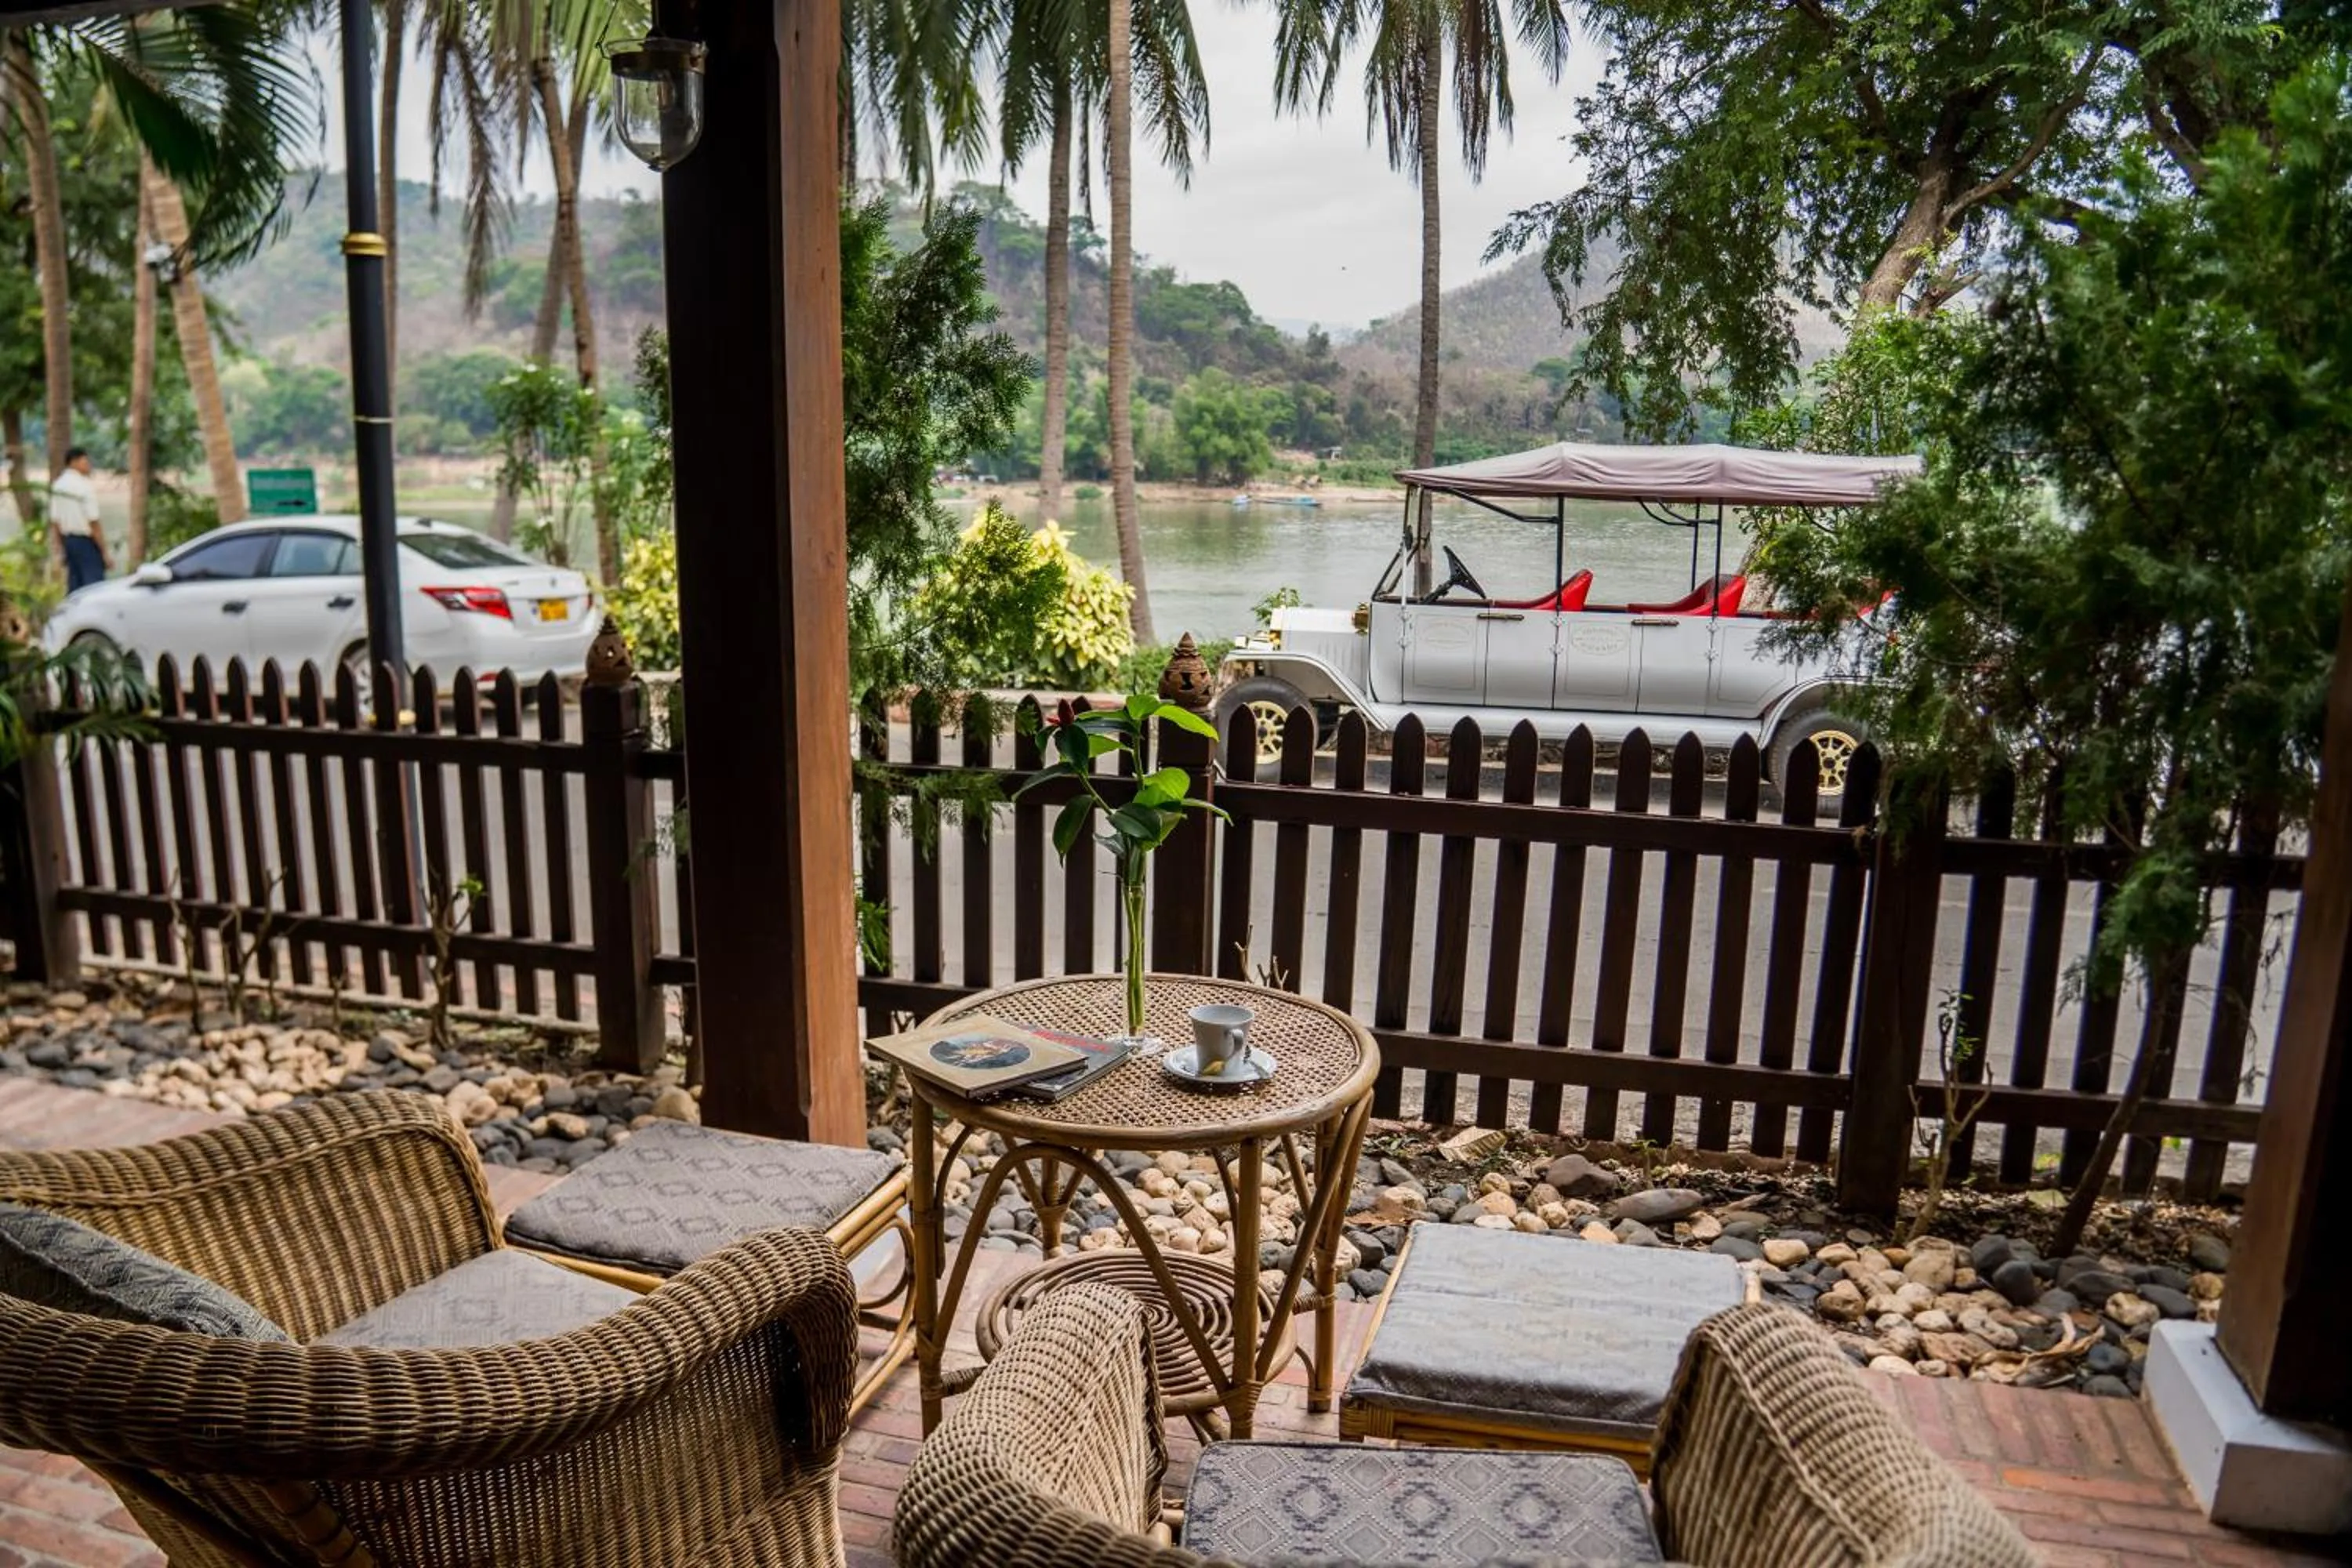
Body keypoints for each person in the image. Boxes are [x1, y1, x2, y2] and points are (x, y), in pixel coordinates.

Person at [48, 448, 108, 593]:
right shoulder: (84, 486)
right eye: (85, 461)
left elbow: (55, 521)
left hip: (69, 542)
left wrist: (59, 547)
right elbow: (93, 521)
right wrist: (104, 552)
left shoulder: (58, 485)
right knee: (95, 586)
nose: (88, 464)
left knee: (75, 585)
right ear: (74, 462)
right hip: (86, 542)